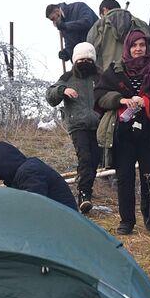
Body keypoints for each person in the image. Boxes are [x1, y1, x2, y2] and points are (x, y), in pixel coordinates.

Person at [95, 29, 150, 234]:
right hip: (122, 133)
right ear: (128, 47)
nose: (138, 49)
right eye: (134, 45)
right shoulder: (115, 70)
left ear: (147, 47)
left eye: (142, 45)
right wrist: (120, 100)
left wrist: (148, 102)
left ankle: (149, 212)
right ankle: (126, 221)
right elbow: (100, 95)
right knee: (124, 177)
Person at [46, 42, 103, 212]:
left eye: (88, 59)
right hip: (78, 125)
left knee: (94, 160)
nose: (84, 62)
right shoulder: (67, 77)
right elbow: (50, 96)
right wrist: (63, 90)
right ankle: (84, 195)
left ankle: (85, 187)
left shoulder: (100, 77)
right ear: (74, 60)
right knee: (85, 158)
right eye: (80, 59)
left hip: (99, 125)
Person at [0, 141, 76, 209]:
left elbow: (33, 205)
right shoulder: (25, 170)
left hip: (63, 222)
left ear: (4, 165)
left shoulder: (29, 171)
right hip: (61, 217)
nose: (0, 178)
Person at [86, 0, 150, 72]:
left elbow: (89, 50)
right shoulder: (140, 23)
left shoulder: (99, 25)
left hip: (107, 75)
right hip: (137, 74)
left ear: (104, 10)